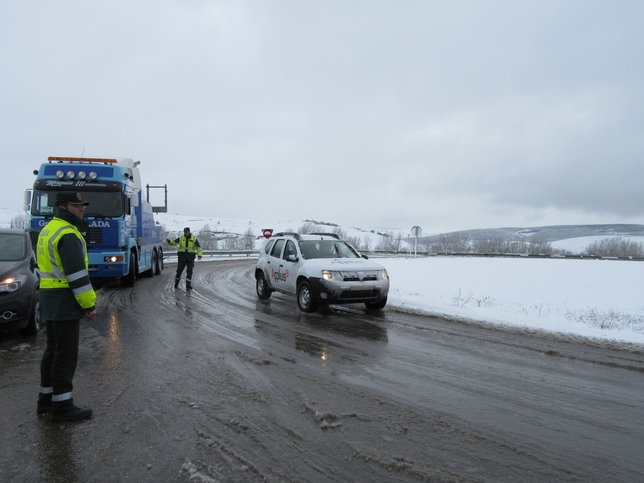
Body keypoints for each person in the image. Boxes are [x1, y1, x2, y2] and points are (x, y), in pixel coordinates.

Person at [36, 192, 97, 422]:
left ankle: (46, 401)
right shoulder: (68, 233)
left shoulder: (49, 229)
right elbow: (77, 276)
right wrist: (89, 305)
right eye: (77, 205)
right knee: (65, 354)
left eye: (83, 206)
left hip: (50, 298)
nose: (82, 209)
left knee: (53, 350)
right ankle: (62, 407)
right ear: (63, 206)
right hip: (64, 299)